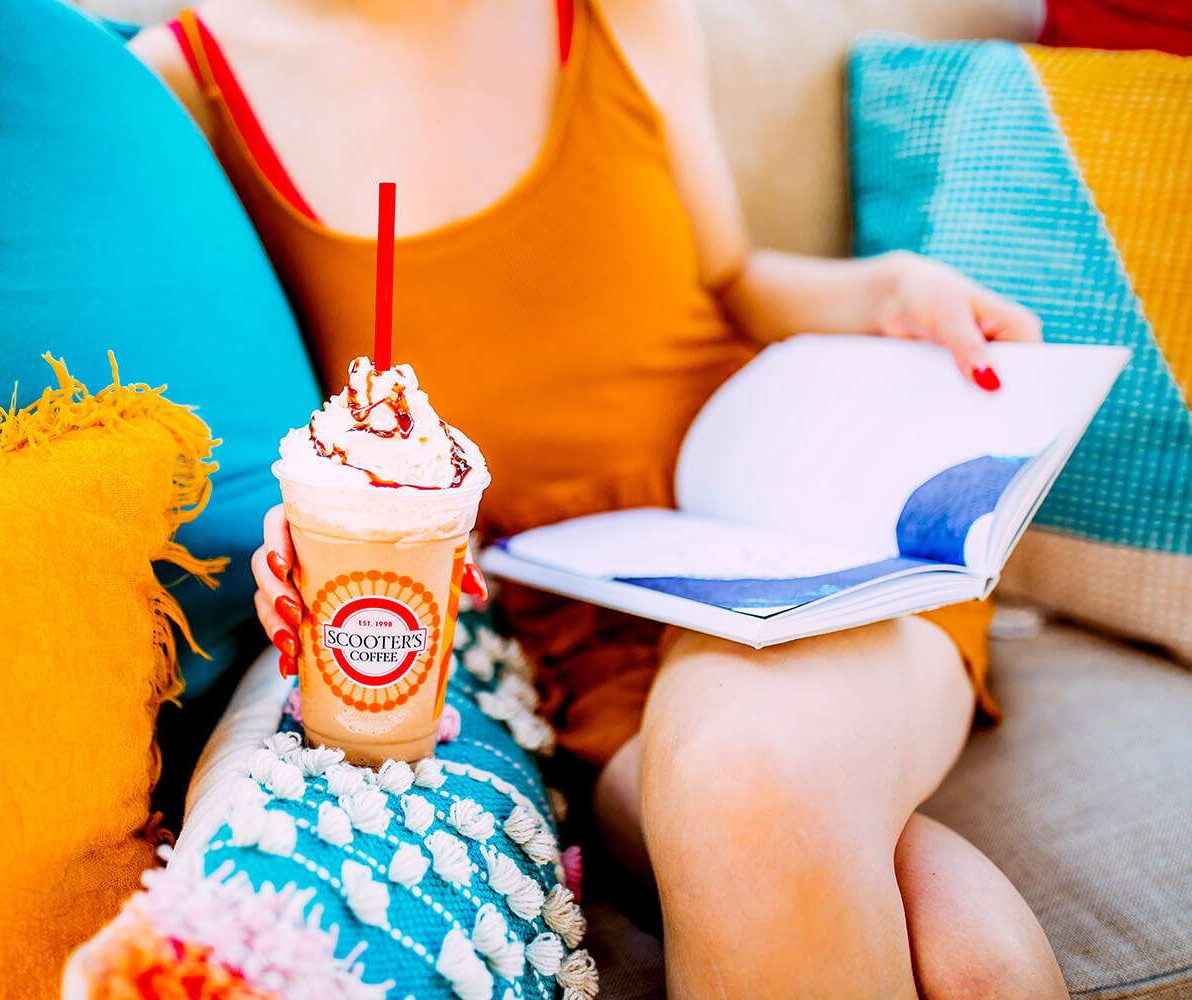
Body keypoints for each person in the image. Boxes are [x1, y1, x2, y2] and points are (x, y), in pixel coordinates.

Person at [131, 2, 1066, 996]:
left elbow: (733, 278)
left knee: (743, 785)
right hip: (573, 646)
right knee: (969, 958)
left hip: (779, 538)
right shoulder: (187, 81)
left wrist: (880, 291)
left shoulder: (620, 13)